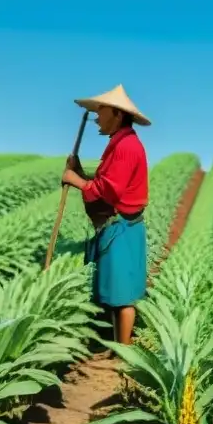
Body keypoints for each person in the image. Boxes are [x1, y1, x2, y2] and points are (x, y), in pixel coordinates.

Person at [61, 84, 150, 346]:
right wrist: (80, 172)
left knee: (122, 296)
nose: (97, 117)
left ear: (118, 115)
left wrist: (75, 180)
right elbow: (106, 182)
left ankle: (122, 351)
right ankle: (116, 345)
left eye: (102, 111)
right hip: (119, 226)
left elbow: (109, 190)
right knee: (116, 289)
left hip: (121, 227)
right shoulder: (120, 143)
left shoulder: (126, 147)